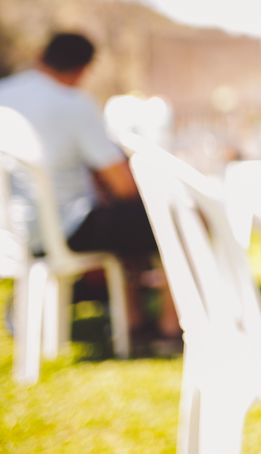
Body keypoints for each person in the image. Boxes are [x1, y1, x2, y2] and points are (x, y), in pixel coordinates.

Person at [0, 32, 178, 341]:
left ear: (41, 55)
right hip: (65, 228)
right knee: (171, 217)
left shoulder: (5, 93)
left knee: (123, 221)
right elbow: (123, 184)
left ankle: (133, 319)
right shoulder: (73, 104)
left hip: (12, 231)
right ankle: (170, 327)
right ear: (83, 69)